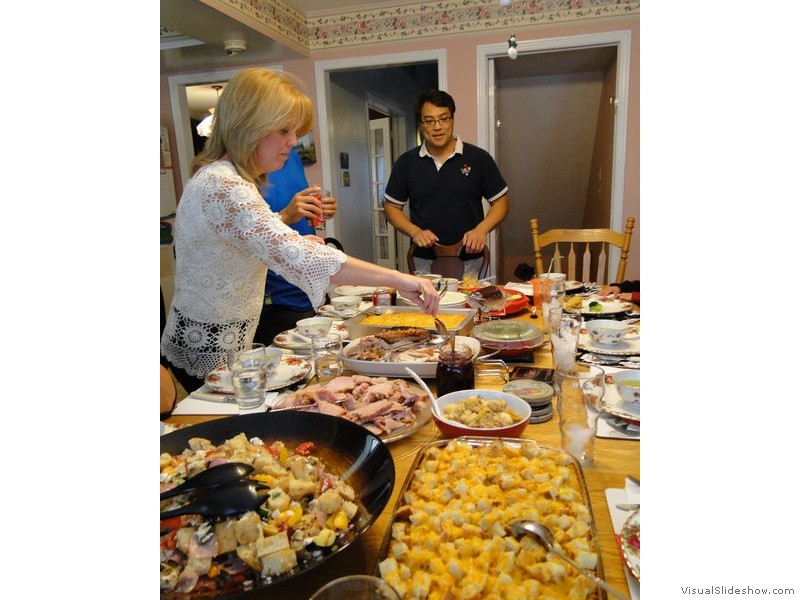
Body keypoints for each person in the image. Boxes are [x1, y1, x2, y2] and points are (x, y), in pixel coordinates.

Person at [160, 68, 440, 393]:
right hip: (209, 347)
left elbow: (241, 238)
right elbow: (303, 258)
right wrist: (400, 278)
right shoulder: (224, 184)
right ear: (248, 126)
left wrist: (286, 231)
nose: (293, 141)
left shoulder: (224, 177)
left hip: (222, 338)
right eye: (283, 130)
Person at [383, 89, 510, 278]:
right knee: (426, 307)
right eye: (429, 120)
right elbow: (391, 207)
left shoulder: (479, 158)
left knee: (469, 306)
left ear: (452, 120)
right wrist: (415, 231)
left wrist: (481, 230)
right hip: (422, 259)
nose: (437, 126)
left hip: (470, 258)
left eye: (444, 118)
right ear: (421, 124)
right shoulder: (406, 163)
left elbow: (501, 203)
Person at [253, 148, 337, 345]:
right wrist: (287, 214)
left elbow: (298, 210)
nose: (293, 140)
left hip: (305, 287)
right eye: (285, 130)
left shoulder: (290, 155)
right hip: (273, 296)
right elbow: (249, 236)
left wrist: (318, 209)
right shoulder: (243, 167)